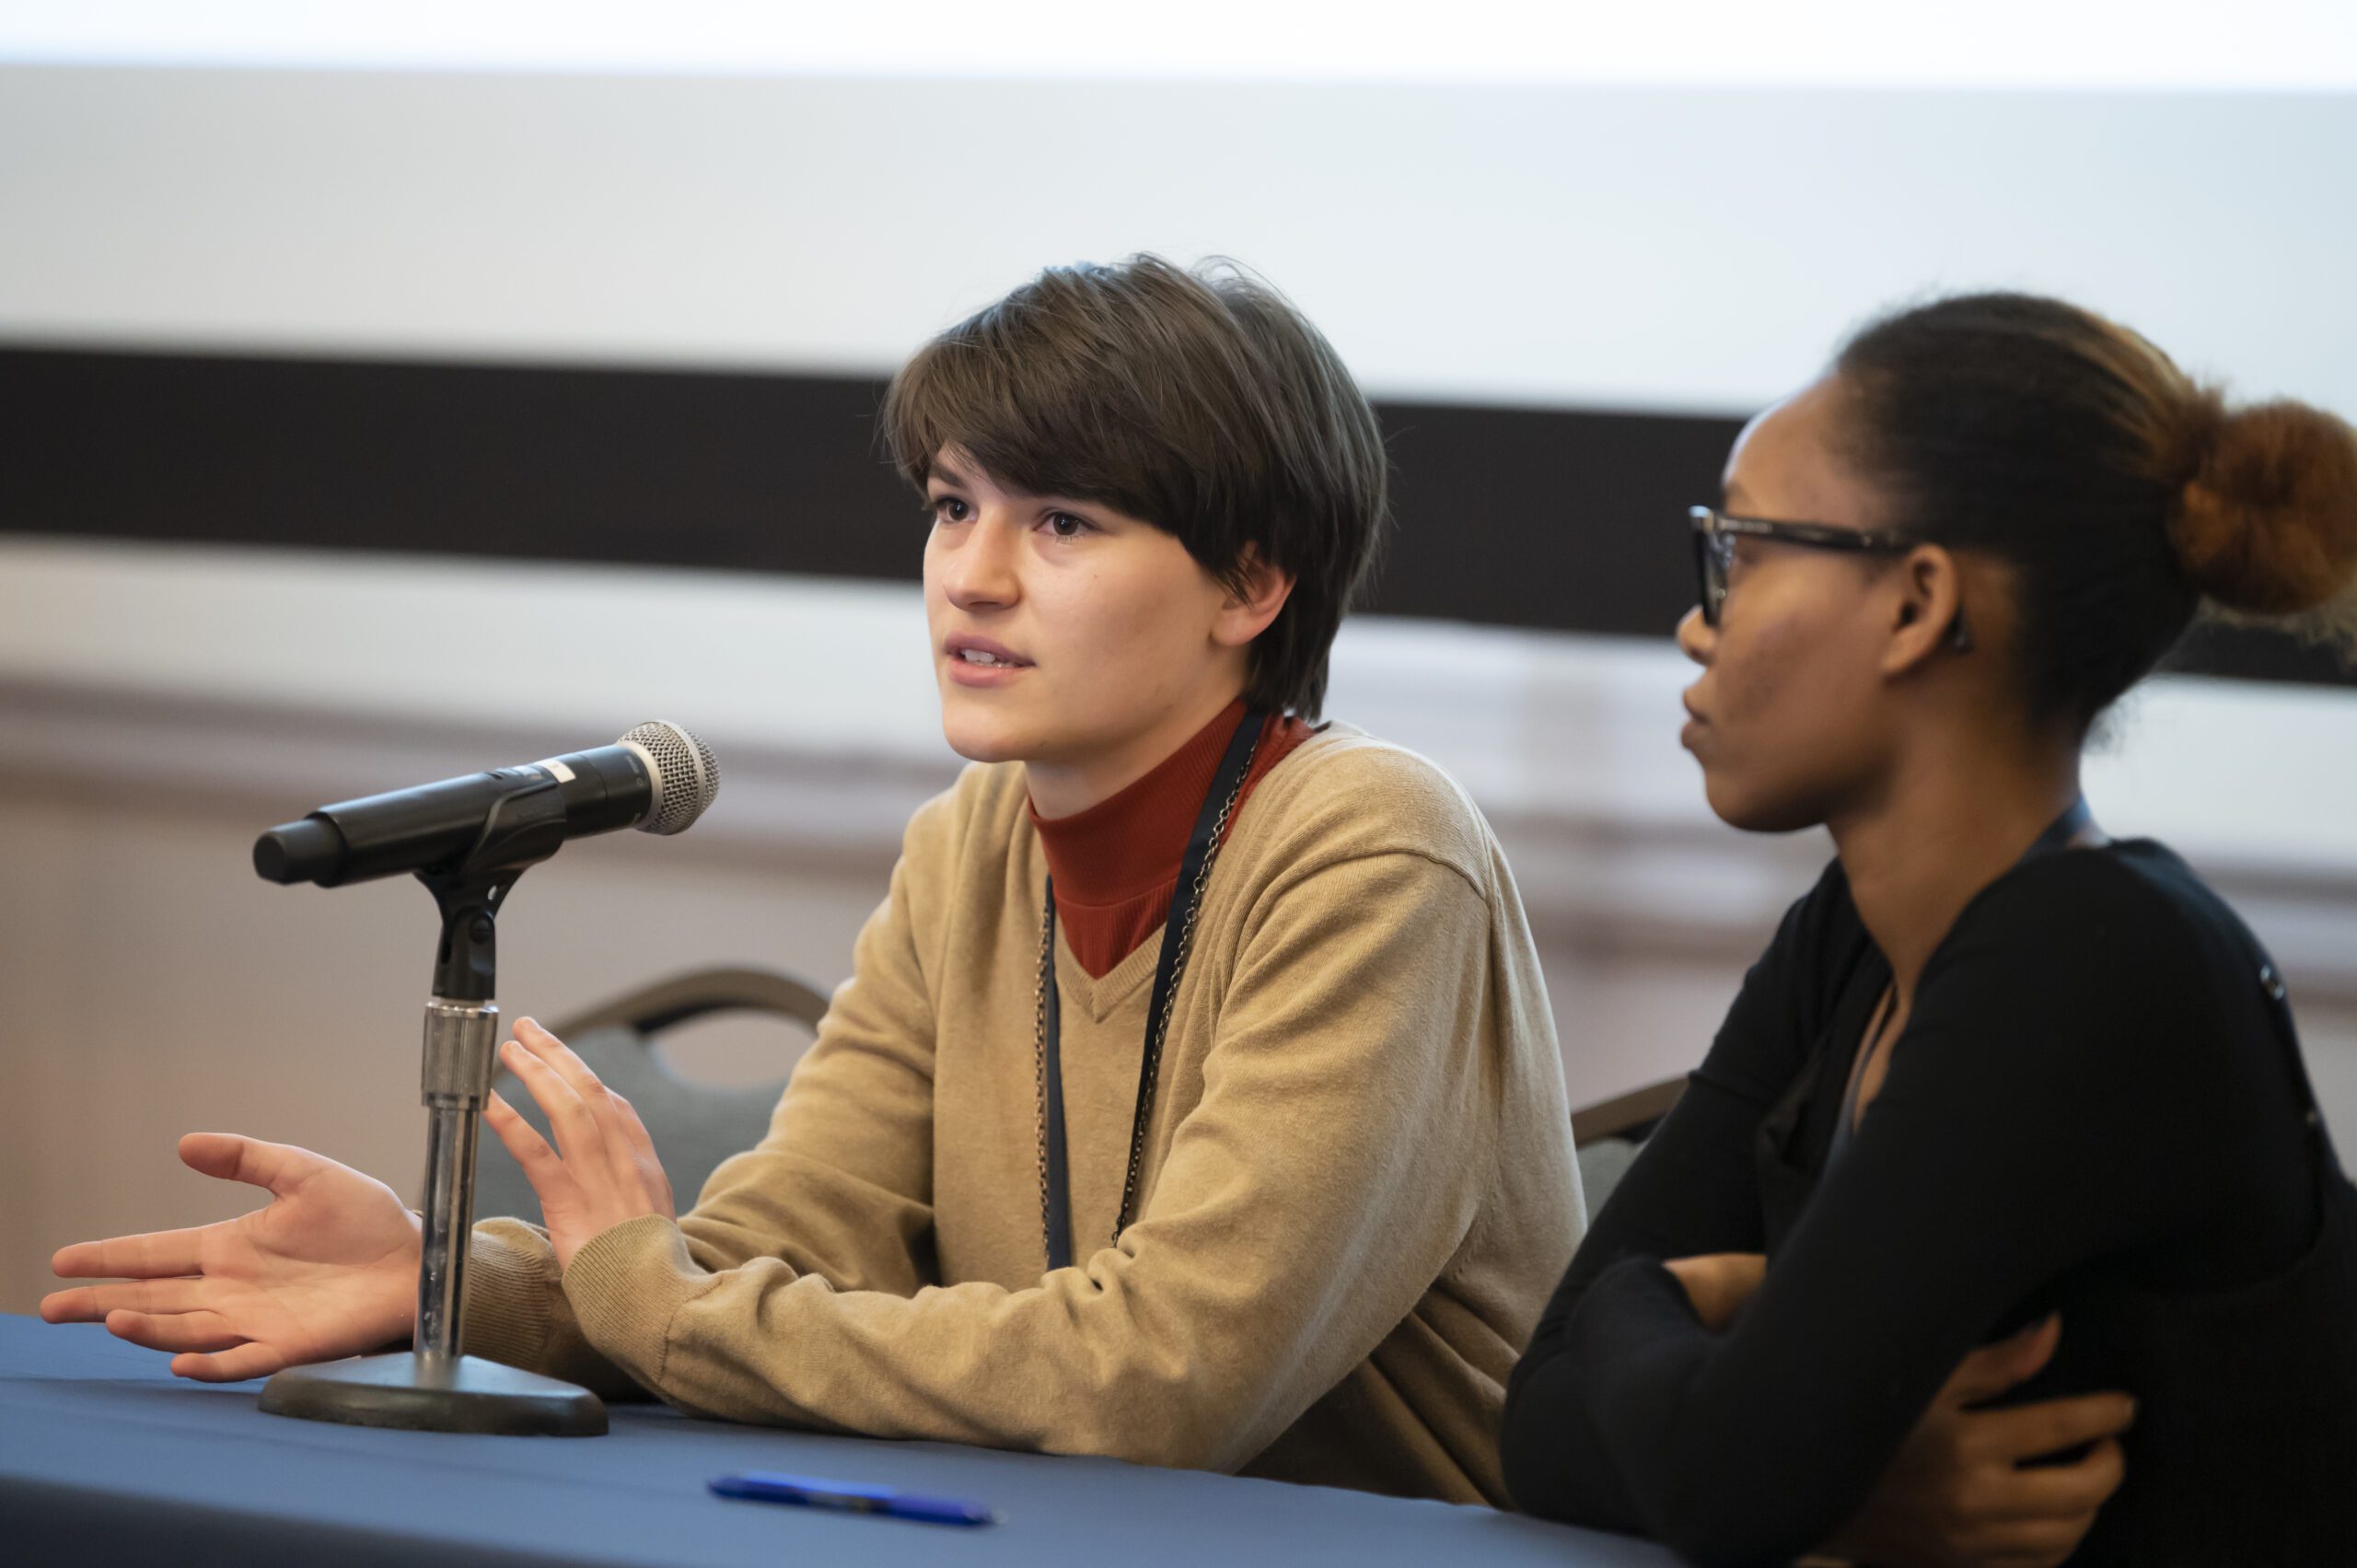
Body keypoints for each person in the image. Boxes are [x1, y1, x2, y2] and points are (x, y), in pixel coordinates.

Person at [44, 255, 1581, 1505]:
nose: (973, 575)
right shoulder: (972, 844)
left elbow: (1158, 1380)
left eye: (1061, 522)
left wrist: (651, 1297)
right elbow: (796, 1236)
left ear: (1251, 584)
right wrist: (451, 1279)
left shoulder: (1370, 849)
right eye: (953, 506)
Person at [1500, 292, 2357, 1564]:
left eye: (1740, 551)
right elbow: (1538, 1429)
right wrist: (1827, 1478)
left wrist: (1658, 1302)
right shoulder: (1849, 933)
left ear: (1915, 604)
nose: (1697, 619)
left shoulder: (2097, 958)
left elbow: (1724, 1476)